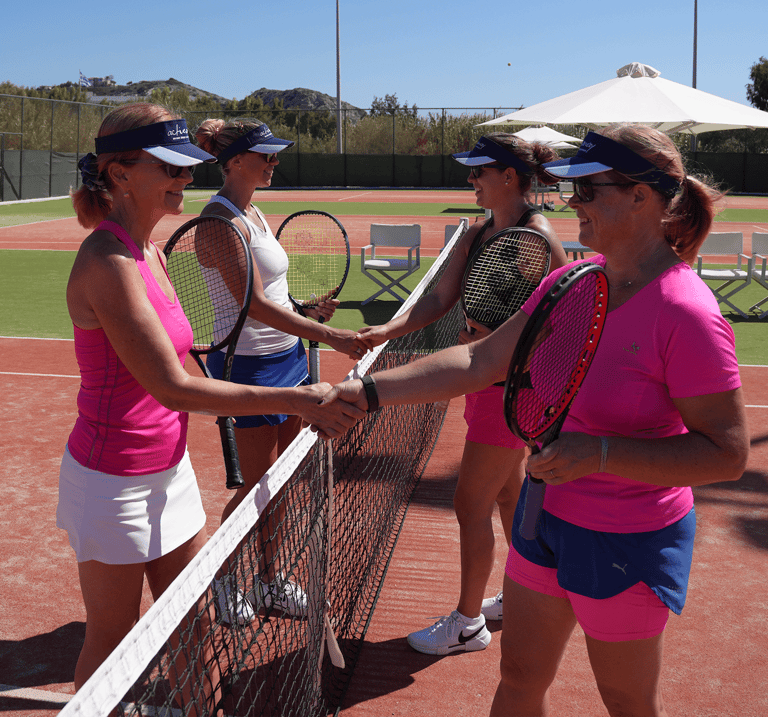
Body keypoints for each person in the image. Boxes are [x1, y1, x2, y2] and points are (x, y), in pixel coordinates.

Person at [321, 125, 749, 717]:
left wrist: (599, 455)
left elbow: (727, 454)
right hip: (544, 519)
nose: (573, 202)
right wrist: (365, 391)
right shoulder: (572, 281)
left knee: (626, 701)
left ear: (641, 197)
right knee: (519, 676)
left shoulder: (686, 312)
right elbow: (479, 358)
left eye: (588, 190)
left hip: (626, 538)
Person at [58, 103, 363, 712]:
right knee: (115, 643)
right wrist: (297, 397)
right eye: (170, 167)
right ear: (120, 173)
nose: (184, 178)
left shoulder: (153, 252)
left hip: (169, 474)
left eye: (186, 166)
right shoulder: (107, 261)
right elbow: (173, 387)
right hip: (111, 481)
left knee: (195, 631)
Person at [357, 133, 568, 655]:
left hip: (510, 392)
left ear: (510, 177)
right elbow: (438, 298)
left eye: (479, 172)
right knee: (507, 497)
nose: (471, 180)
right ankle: (518, 593)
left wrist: (501, 353)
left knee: (468, 503)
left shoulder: (536, 238)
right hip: (482, 384)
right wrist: (386, 333)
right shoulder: (479, 234)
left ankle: (467, 623)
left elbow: (558, 320)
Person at [194, 118, 370, 623]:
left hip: (289, 359)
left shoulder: (256, 213)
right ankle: (224, 579)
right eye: (264, 155)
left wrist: (305, 310)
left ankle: (270, 580)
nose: (274, 162)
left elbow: (275, 297)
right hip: (249, 367)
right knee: (255, 486)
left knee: (284, 482)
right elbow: (250, 306)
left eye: (275, 155)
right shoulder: (219, 221)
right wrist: (330, 335)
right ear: (233, 161)